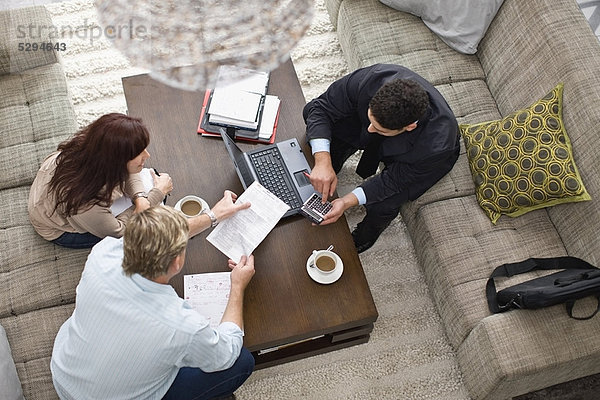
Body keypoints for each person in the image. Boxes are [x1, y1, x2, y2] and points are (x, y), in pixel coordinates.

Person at [51, 197, 255, 400]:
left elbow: (148, 237)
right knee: (242, 361)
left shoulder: (102, 254)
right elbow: (226, 353)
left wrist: (212, 216)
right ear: (177, 262)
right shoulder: (183, 326)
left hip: (65, 379)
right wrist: (237, 286)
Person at [303, 63, 460, 253]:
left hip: (421, 159)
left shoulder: (437, 145)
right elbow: (320, 108)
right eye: (370, 120)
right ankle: (336, 158)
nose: (370, 130)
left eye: (378, 129)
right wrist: (323, 161)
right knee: (329, 137)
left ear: (409, 127)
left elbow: (393, 181)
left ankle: (366, 236)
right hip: (384, 120)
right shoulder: (371, 78)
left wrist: (346, 202)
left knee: (385, 202)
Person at [28, 113, 173, 249]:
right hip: (58, 229)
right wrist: (156, 195)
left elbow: (129, 171)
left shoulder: (95, 148)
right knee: (144, 231)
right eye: (138, 153)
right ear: (117, 161)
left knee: (142, 184)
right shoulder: (85, 203)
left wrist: (140, 197)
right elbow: (120, 231)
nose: (147, 155)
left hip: (52, 196)